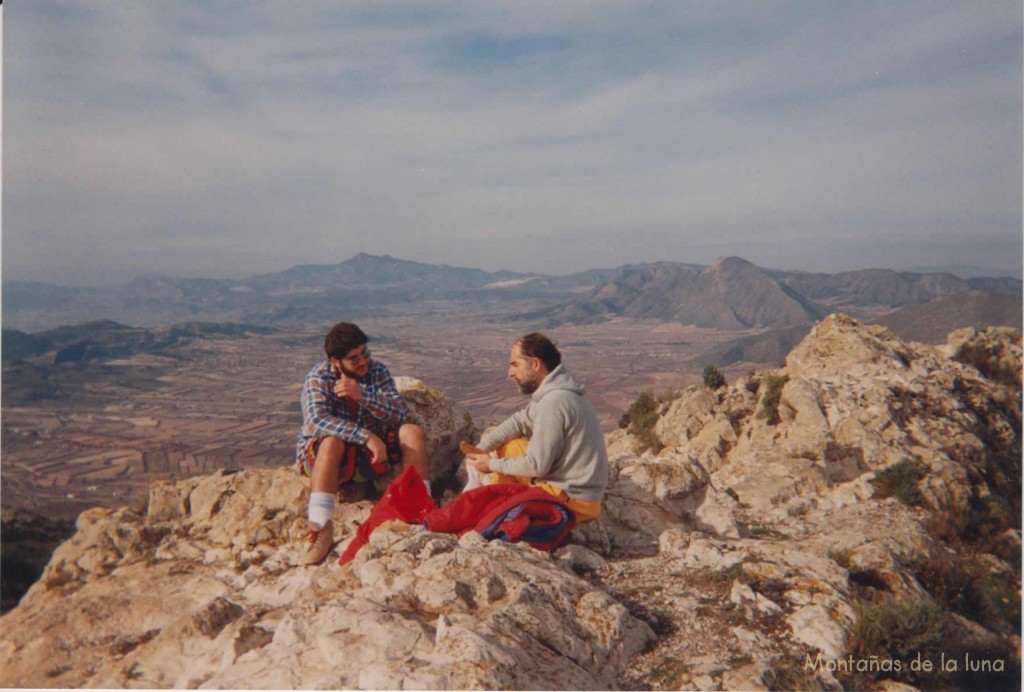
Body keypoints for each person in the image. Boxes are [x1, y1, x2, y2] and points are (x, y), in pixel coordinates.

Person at [296, 321, 429, 565]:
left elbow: (399, 412)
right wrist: (365, 436)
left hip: (371, 459)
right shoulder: (319, 378)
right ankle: (321, 528)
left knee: (412, 432)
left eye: (364, 354)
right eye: (353, 358)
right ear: (335, 361)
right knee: (331, 442)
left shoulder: (377, 372)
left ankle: (420, 511)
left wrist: (363, 395)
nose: (363, 362)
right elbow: (315, 421)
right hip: (334, 459)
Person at [463, 332, 608, 523]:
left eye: (515, 364)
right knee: (511, 447)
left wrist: (490, 465)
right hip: (571, 491)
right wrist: (482, 449)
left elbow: (537, 466)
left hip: (572, 501)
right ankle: (494, 504)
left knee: (504, 472)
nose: (510, 373)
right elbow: (518, 422)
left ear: (536, 364)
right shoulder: (554, 393)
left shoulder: (554, 402)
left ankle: (490, 510)